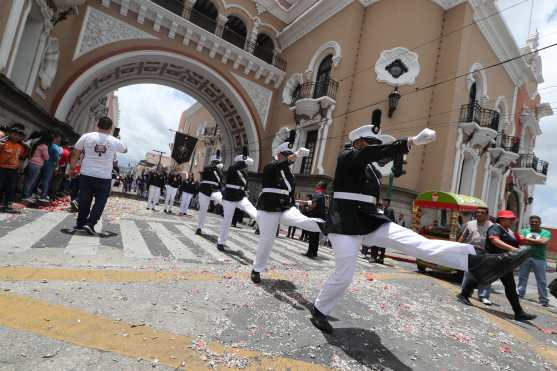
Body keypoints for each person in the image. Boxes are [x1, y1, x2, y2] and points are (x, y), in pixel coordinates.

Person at [309, 125, 532, 333]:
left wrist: (396, 158)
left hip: (369, 221)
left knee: (419, 243)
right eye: (371, 143)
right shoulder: (347, 157)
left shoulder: (370, 170)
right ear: (358, 143)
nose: (375, 148)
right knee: (344, 274)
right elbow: (370, 155)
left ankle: (479, 262)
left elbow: (376, 159)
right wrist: (411, 141)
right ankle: (320, 310)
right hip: (345, 224)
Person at [250, 134, 324, 284]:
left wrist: (294, 203)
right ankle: (257, 269)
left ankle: (329, 226)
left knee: (303, 221)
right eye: (287, 155)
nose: (290, 158)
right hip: (269, 206)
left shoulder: (289, 174)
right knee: (267, 240)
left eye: (291, 155)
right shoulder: (271, 166)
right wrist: (296, 155)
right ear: (279, 155)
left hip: (285, 206)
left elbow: (289, 192)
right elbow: (279, 165)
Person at [459, 210, 536, 321]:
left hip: (504, 262)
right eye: (509, 219)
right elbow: (494, 240)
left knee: (509, 287)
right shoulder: (496, 228)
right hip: (493, 259)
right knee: (478, 276)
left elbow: (520, 239)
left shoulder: (509, 231)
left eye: (512, 219)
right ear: (502, 219)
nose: (512, 221)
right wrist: (514, 250)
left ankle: (519, 312)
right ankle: (463, 295)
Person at [69, 116, 127, 235]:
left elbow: (75, 152)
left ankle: (80, 224)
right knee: (100, 201)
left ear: (97, 125)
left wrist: (72, 168)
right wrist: (114, 142)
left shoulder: (87, 136)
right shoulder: (114, 141)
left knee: (85, 200)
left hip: (86, 173)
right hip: (104, 176)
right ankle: (90, 224)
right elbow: (125, 150)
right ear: (111, 128)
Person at [217, 148, 257, 251]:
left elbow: (244, 184)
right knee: (227, 220)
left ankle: (261, 220)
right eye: (245, 163)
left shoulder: (244, 172)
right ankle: (221, 242)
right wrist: (243, 161)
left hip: (240, 196)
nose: (247, 165)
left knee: (251, 209)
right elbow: (233, 170)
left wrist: (246, 190)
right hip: (230, 196)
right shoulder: (233, 169)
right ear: (241, 161)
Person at [457, 207, 493, 305]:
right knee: (468, 274)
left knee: (485, 274)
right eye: (477, 212)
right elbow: (463, 236)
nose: (479, 214)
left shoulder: (492, 226)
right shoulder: (470, 224)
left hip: (486, 253)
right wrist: (457, 247)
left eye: (482, 213)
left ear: (487, 215)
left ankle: (484, 296)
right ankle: (465, 293)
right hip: (472, 251)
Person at [517, 215, 552, 307]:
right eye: (532, 221)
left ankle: (543, 300)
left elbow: (543, 242)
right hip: (525, 257)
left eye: (536, 222)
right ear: (530, 222)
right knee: (522, 277)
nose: (534, 223)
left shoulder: (545, 232)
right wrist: (536, 241)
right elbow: (520, 241)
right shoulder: (524, 231)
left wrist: (527, 239)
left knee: (541, 280)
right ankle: (519, 294)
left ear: (540, 223)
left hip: (539, 259)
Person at [0, 124, 27, 212]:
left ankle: (7, 205)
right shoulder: (3, 143)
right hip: (2, 168)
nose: (16, 136)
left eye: (19, 135)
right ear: (10, 134)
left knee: (10, 188)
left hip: (13, 170)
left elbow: (21, 159)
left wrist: (20, 168)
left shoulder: (22, 147)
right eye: (14, 134)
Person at [196, 151, 224, 235]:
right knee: (203, 210)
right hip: (204, 190)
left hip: (214, 191)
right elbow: (207, 172)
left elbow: (220, 183)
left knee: (224, 202)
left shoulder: (220, 172)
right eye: (216, 162)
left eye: (218, 162)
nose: (217, 163)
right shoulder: (207, 168)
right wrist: (215, 167)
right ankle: (199, 228)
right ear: (212, 162)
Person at [302, 181, 328, 258]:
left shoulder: (318, 194)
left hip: (315, 217)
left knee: (312, 236)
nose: (316, 184)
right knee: (315, 236)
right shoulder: (323, 195)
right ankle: (314, 252)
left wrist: (306, 210)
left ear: (320, 186)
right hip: (320, 218)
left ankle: (310, 253)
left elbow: (313, 205)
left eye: (317, 184)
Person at [23, 132, 51, 200]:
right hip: (37, 164)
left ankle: (23, 194)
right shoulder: (44, 146)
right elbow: (46, 157)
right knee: (31, 181)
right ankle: (26, 196)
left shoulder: (36, 143)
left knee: (27, 180)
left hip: (31, 162)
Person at [38, 133, 61, 202]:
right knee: (46, 180)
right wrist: (57, 165)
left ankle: (35, 192)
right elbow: (56, 158)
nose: (59, 140)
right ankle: (43, 195)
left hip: (43, 163)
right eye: (59, 139)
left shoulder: (47, 145)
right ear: (55, 138)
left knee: (38, 179)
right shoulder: (56, 147)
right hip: (50, 165)